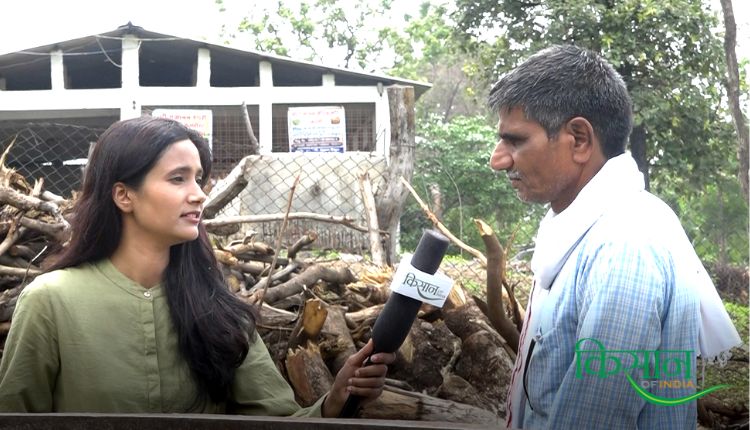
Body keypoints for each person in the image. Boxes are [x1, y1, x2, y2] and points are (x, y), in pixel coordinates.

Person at [0, 116, 394, 416]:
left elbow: (275, 421)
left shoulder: (216, 307)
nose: (199, 195)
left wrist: (334, 401)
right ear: (124, 195)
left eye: (199, 179)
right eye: (178, 179)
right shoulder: (51, 302)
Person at [488, 45, 741, 429]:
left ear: (579, 139)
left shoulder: (623, 246)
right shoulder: (581, 230)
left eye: (516, 140)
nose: (499, 159)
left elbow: (593, 420)